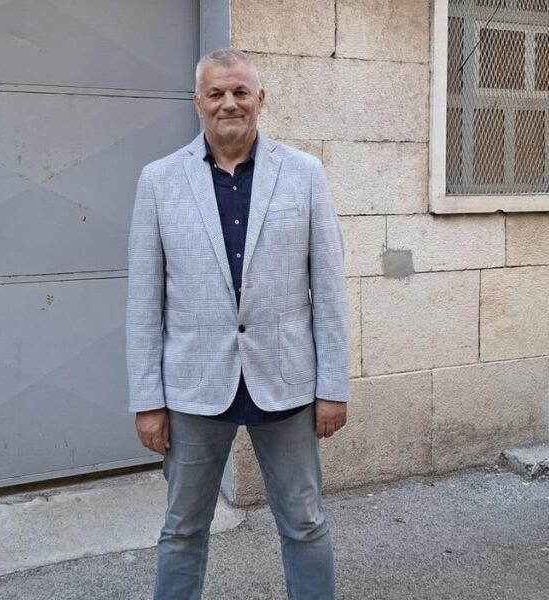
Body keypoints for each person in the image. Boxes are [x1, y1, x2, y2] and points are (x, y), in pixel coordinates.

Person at [125, 48, 351, 599]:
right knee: (182, 530)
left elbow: (329, 289)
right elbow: (144, 302)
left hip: (287, 382)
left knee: (305, 523)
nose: (229, 103)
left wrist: (333, 386)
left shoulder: (304, 174)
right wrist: (148, 400)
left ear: (259, 99)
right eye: (216, 93)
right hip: (194, 387)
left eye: (240, 92)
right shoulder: (159, 180)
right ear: (197, 103)